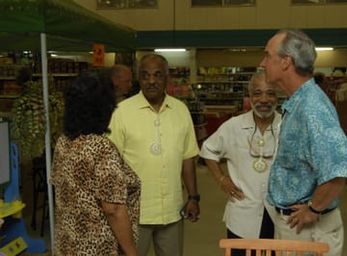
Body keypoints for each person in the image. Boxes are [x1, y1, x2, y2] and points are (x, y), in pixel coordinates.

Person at [260, 29, 347, 256]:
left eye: (267, 55)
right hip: (295, 226)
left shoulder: (311, 108)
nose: (262, 63)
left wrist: (313, 209)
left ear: (286, 62)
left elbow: (340, 167)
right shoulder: (299, 102)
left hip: (307, 230)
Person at [108, 53, 200, 256]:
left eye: (158, 75)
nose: (151, 81)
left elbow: (187, 157)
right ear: (138, 79)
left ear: (167, 78)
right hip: (134, 213)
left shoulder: (181, 110)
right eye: (145, 75)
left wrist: (193, 196)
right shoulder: (122, 112)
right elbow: (111, 164)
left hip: (172, 210)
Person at [50, 71, 140, 256]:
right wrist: (132, 252)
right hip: (98, 247)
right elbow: (113, 208)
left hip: (67, 243)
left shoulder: (63, 142)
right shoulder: (101, 147)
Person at [200, 71, 281, 256]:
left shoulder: (286, 125)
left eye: (270, 93)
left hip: (277, 215)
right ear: (250, 96)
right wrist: (221, 178)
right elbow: (208, 150)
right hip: (242, 214)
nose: (264, 99)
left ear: (278, 96)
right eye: (257, 93)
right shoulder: (233, 126)